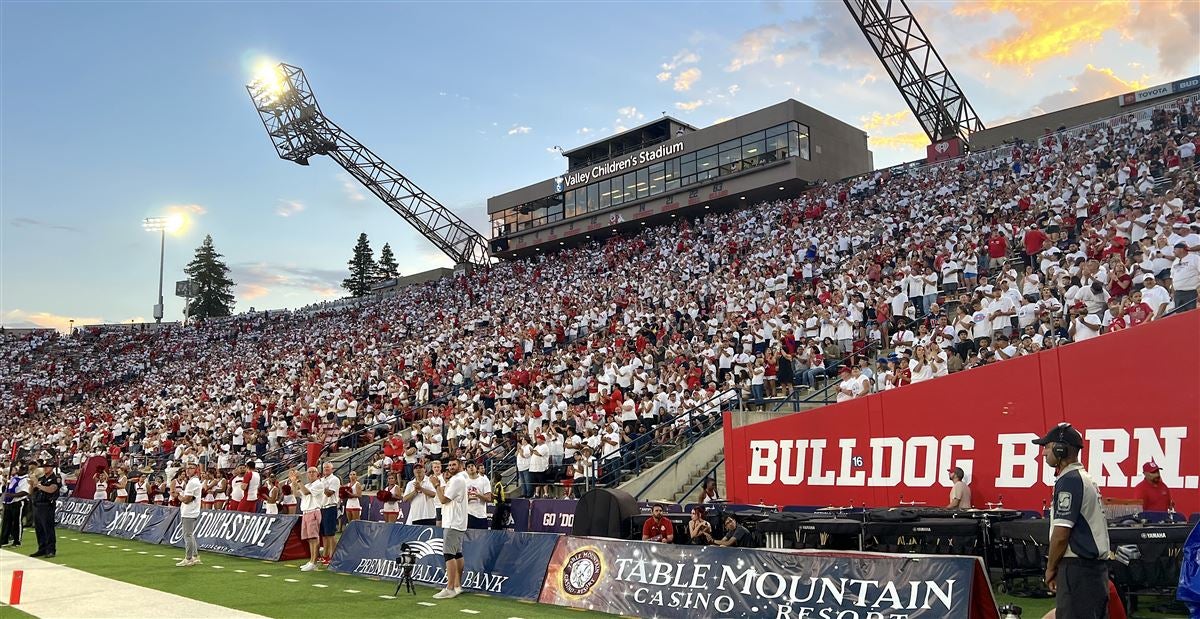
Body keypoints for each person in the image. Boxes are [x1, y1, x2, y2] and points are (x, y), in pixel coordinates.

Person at [1033, 422, 1111, 618]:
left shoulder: (1069, 481)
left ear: (1060, 449)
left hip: (1079, 570)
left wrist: (1050, 568)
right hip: (1090, 571)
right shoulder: (1083, 478)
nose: (1043, 453)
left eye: (1047, 447)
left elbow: (1061, 535)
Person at [433, 459, 468, 599]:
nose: (451, 467)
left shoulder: (457, 480)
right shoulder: (457, 479)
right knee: (457, 553)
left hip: (453, 522)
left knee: (449, 554)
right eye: (449, 465)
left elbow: (443, 499)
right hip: (457, 521)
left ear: (460, 466)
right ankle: (458, 585)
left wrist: (436, 485)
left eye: (454, 464)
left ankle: (450, 588)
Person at [289, 466, 323, 572]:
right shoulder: (308, 484)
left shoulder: (319, 484)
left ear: (317, 474)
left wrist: (298, 481)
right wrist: (294, 482)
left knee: (313, 537)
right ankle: (311, 560)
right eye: (309, 472)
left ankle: (314, 561)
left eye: (313, 472)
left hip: (313, 511)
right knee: (309, 538)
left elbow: (307, 492)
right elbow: (296, 493)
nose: (311, 474)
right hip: (306, 512)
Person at [173, 462, 203, 566]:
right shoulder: (193, 481)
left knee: (187, 535)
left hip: (189, 511)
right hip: (192, 511)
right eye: (188, 468)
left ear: (196, 470)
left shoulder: (192, 482)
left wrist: (178, 496)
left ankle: (188, 558)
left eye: (191, 468)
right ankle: (195, 556)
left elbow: (187, 500)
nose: (188, 470)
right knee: (190, 534)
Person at [29, 461, 60, 558]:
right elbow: (31, 491)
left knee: (48, 528)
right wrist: (32, 484)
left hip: (47, 505)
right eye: (44, 467)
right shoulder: (41, 478)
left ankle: (51, 550)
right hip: (38, 504)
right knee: (39, 529)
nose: (45, 468)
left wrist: (38, 484)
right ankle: (42, 548)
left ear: (52, 467)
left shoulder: (55, 478)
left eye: (47, 466)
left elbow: (51, 489)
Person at [0, 462, 30, 548]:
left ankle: (17, 541)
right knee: (6, 522)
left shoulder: (26, 479)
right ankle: (4, 539)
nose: (18, 470)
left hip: (18, 502)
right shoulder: (14, 477)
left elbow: (25, 491)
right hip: (9, 502)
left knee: (17, 522)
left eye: (20, 469)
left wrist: (13, 495)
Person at [318, 462, 340, 565]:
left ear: (332, 469)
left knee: (330, 533)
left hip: (330, 507)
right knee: (324, 533)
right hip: (322, 507)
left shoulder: (334, 479)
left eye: (328, 467)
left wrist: (322, 486)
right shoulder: (323, 480)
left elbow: (329, 493)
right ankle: (325, 555)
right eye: (324, 467)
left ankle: (332, 556)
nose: (326, 469)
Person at [464, 461, 493, 530]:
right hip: (468, 514)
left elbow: (489, 498)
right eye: (468, 467)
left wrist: (478, 495)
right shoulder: (464, 482)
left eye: (472, 466)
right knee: (468, 539)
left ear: (476, 468)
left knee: (482, 538)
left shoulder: (484, 480)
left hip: (481, 514)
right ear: (466, 470)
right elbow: (461, 500)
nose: (471, 468)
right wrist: (469, 498)